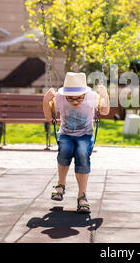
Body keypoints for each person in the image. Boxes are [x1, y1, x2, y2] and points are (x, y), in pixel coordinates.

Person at [43, 72, 109, 214]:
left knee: (82, 153)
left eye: (79, 98)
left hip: (85, 135)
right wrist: (45, 101)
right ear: (65, 95)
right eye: (70, 98)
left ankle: (82, 196)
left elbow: (104, 111)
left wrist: (105, 95)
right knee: (65, 149)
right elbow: (49, 118)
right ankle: (61, 185)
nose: (74, 102)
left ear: (85, 94)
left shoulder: (91, 97)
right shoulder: (60, 98)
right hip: (66, 134)